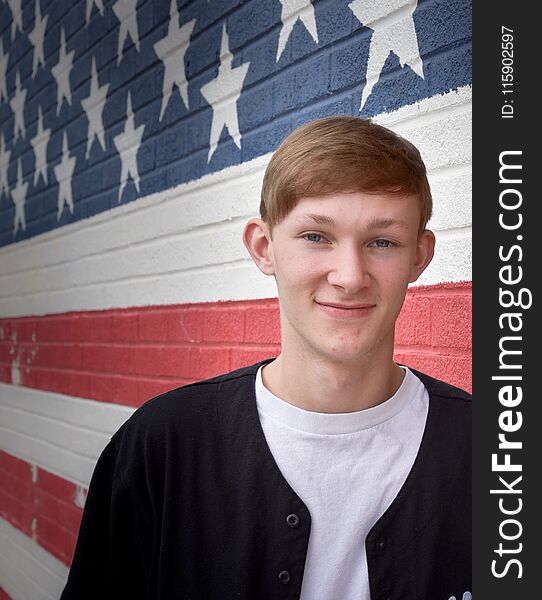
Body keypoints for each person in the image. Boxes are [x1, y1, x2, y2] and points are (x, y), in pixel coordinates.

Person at [60, 116, 471, 600]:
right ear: (263, 247)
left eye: (382, 242)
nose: (349, 276)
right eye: (316, 236)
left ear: (419, 257)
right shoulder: (163, 444)